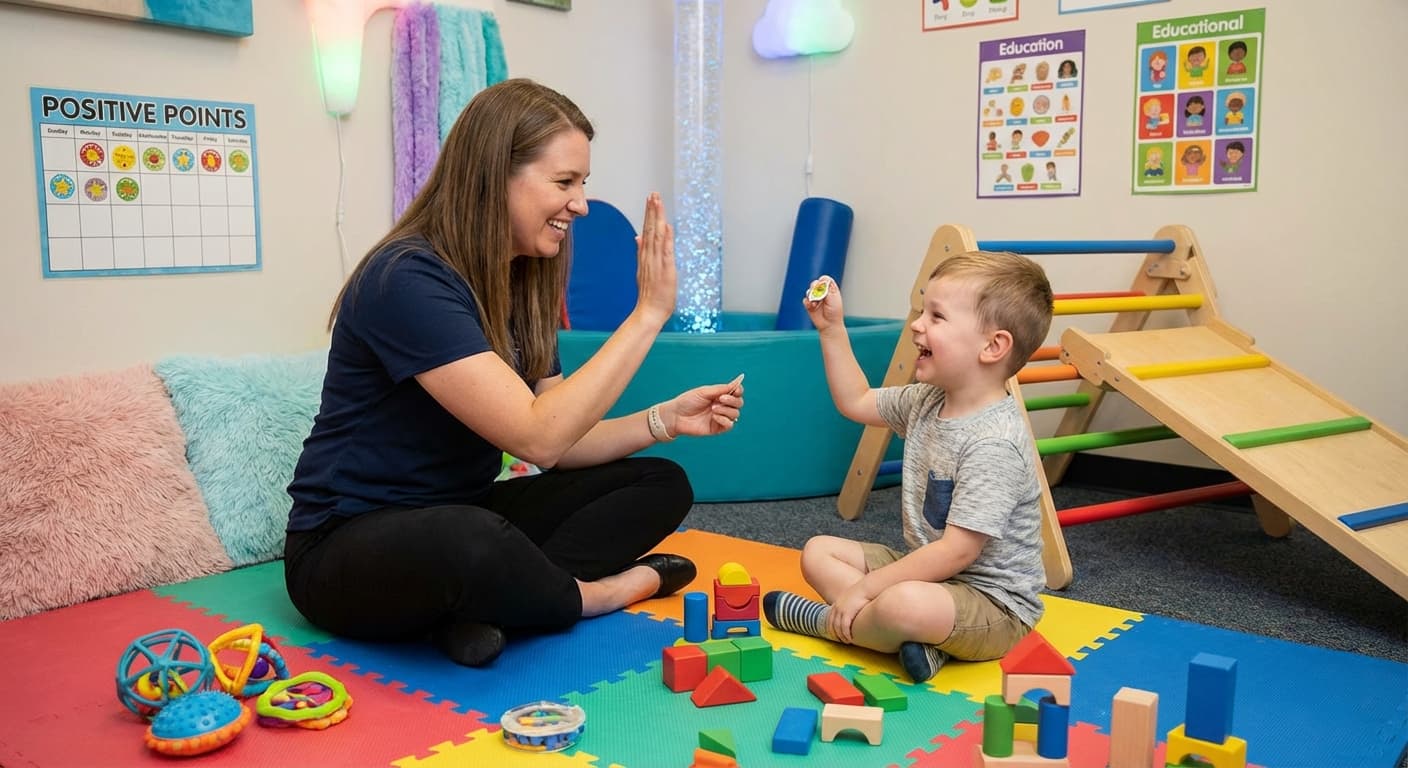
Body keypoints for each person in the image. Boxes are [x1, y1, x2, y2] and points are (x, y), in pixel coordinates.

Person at [283, 78, 745, 668]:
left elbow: (561, 443)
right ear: (493, 176)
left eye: (583, 184)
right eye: (564, 183)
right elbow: (538, 435)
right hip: (343, 548)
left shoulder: (521, 279)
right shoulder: (406, 279)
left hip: (466, 510)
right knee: (471, 539)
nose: (580, 204)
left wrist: (663, 420)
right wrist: (648, 314)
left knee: (659, 483)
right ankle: (595, 595)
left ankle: (486, 607)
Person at [763, 251, 1052, 684]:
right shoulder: (926, 400)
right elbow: (856, 400)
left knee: (905, 604)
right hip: (928, 574)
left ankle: (828, 622)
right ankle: (913, 642)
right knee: (818, 551)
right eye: (922, 311)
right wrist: (831, 329)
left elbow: (958, 552)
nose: (917, 324)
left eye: (936, 316)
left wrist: (865, 589)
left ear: (993, 347)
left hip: (993, 606)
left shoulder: (994, 442)